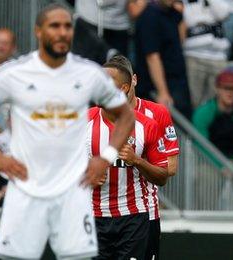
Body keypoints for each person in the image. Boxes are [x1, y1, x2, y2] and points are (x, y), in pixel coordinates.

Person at [0, 4, 135, 259]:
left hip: (74, 190)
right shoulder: (14, 72)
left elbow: (126, 115)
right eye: (54, 26)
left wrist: (106, 157)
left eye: (67, 26)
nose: (62, 32)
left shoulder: (89, 73)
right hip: (26, 190)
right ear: (38, 31)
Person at [102, 54, 179, 260]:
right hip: (101, 211)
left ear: (133, 81)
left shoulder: (156, 114)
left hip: (144, 212)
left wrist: (137, 160)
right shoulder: (95, 117)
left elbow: (170, 167)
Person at [87, 93, 168, 260]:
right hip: (93, 216)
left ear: (122, 88)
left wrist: (137, 161)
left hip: (134, 217)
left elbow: (164, 175)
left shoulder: (146, 124)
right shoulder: (83, 122)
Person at [134, 0, 192, 118]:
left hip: (178, 81)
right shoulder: (149, 16)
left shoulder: (173, 13)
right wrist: (162, 92)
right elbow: (152, 56)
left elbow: (181, 39)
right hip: (158, 86)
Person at [192, 70, 233, 160]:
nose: (230, 93)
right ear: (217, 89)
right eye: (226, 88)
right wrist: (222, 167)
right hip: (209, 163)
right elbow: (202, 146)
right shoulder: (203, 113)